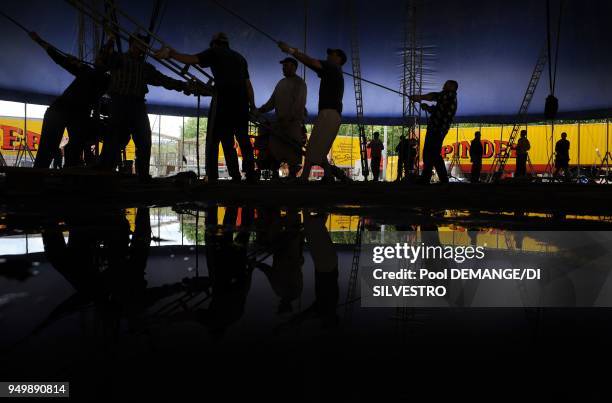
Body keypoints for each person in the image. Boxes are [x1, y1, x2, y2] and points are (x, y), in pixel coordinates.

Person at [156, 32, 256, 182]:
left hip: (223, 102)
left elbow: (192, 59)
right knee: (243, 139)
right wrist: (252, 106)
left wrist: (171, 54)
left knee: (217, 140)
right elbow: (248, 85)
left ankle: (217, 176)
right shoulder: (240, 58)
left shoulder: (215, 52)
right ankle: (249, 174)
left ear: (214, 43)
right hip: (241, 104)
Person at [99, 33, 194, 180]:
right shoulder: (118, 59)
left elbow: (164, 80)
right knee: (113, 139)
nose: (143, 48)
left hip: (137, 105)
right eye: (140, 44)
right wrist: (110, 41)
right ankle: (105, 172)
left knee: (144, 140)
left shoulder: (145, 67)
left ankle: (142, 175)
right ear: (131, 44)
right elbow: (103, 59)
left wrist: (183, 86)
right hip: (119, 103)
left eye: (144, 45)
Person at [29, 32, 111, 169]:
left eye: (100, 58)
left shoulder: (93, 73)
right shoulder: (95, 74)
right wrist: (39, 40)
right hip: (70, 113)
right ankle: (62, 177)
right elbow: (60, 59)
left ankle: (47, 177)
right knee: (67, 147)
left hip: (67, 111)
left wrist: (39, 40)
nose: (97, 58)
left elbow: (59, 59)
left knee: (56, 147)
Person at [277, 41, 349, 183]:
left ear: (339, 58)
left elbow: (311, 62)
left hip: (328, 112)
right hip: (330, 113)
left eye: (332, 54)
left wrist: (292, 51)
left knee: (314, 144)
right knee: (320, 146)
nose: (328, 56)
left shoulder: (332, 67)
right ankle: (328, 175)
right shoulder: (335, 71)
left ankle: (304, 177)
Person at [257, 57, 307, 178]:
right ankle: (275, 171)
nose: (284, 68)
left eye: (286, 66)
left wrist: (289, 118)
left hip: (293, 123)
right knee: (276, 148)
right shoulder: (280, 83)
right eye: (283, 66)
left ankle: (293, 174)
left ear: (294, 67)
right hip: (280, 123)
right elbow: (272, 101)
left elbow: (299, 104)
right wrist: (261, 109)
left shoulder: (300, 83)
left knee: (293, 149)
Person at [409, 80, 458, 184]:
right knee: (433, 153)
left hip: (437, 128)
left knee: (430, 152)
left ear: (452, 87)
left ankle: (429, 178)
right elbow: (439, 110)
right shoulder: (449, 98)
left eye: (447, 84)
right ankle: (439, 178)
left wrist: (419, 97)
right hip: (437, 128)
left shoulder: (449, 95)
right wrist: (427, 107)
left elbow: (434, 96)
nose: (444, 86)